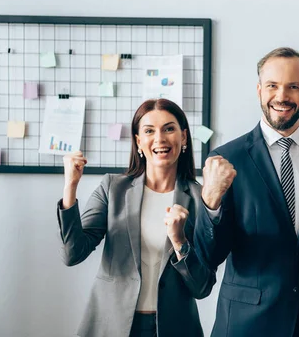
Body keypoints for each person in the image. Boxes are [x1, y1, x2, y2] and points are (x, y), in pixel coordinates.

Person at [194, 47, 299, 337]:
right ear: (260, 91)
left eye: (293, 87)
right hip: (246, 324)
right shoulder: (226, 158)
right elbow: (208, 258)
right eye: (272, 86)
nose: (282, 96)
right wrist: (210, 202)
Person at [57, 98, 215, 337]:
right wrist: (70, 187)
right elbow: (72, 253)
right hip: (112, 325)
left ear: (183, 137)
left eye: (169, 128)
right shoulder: (113, 188)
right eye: (149, 131)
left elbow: (202, 287)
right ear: (139, 142)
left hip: (175, 327)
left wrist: (179, 240)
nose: (160, 138)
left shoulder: (199, 198)